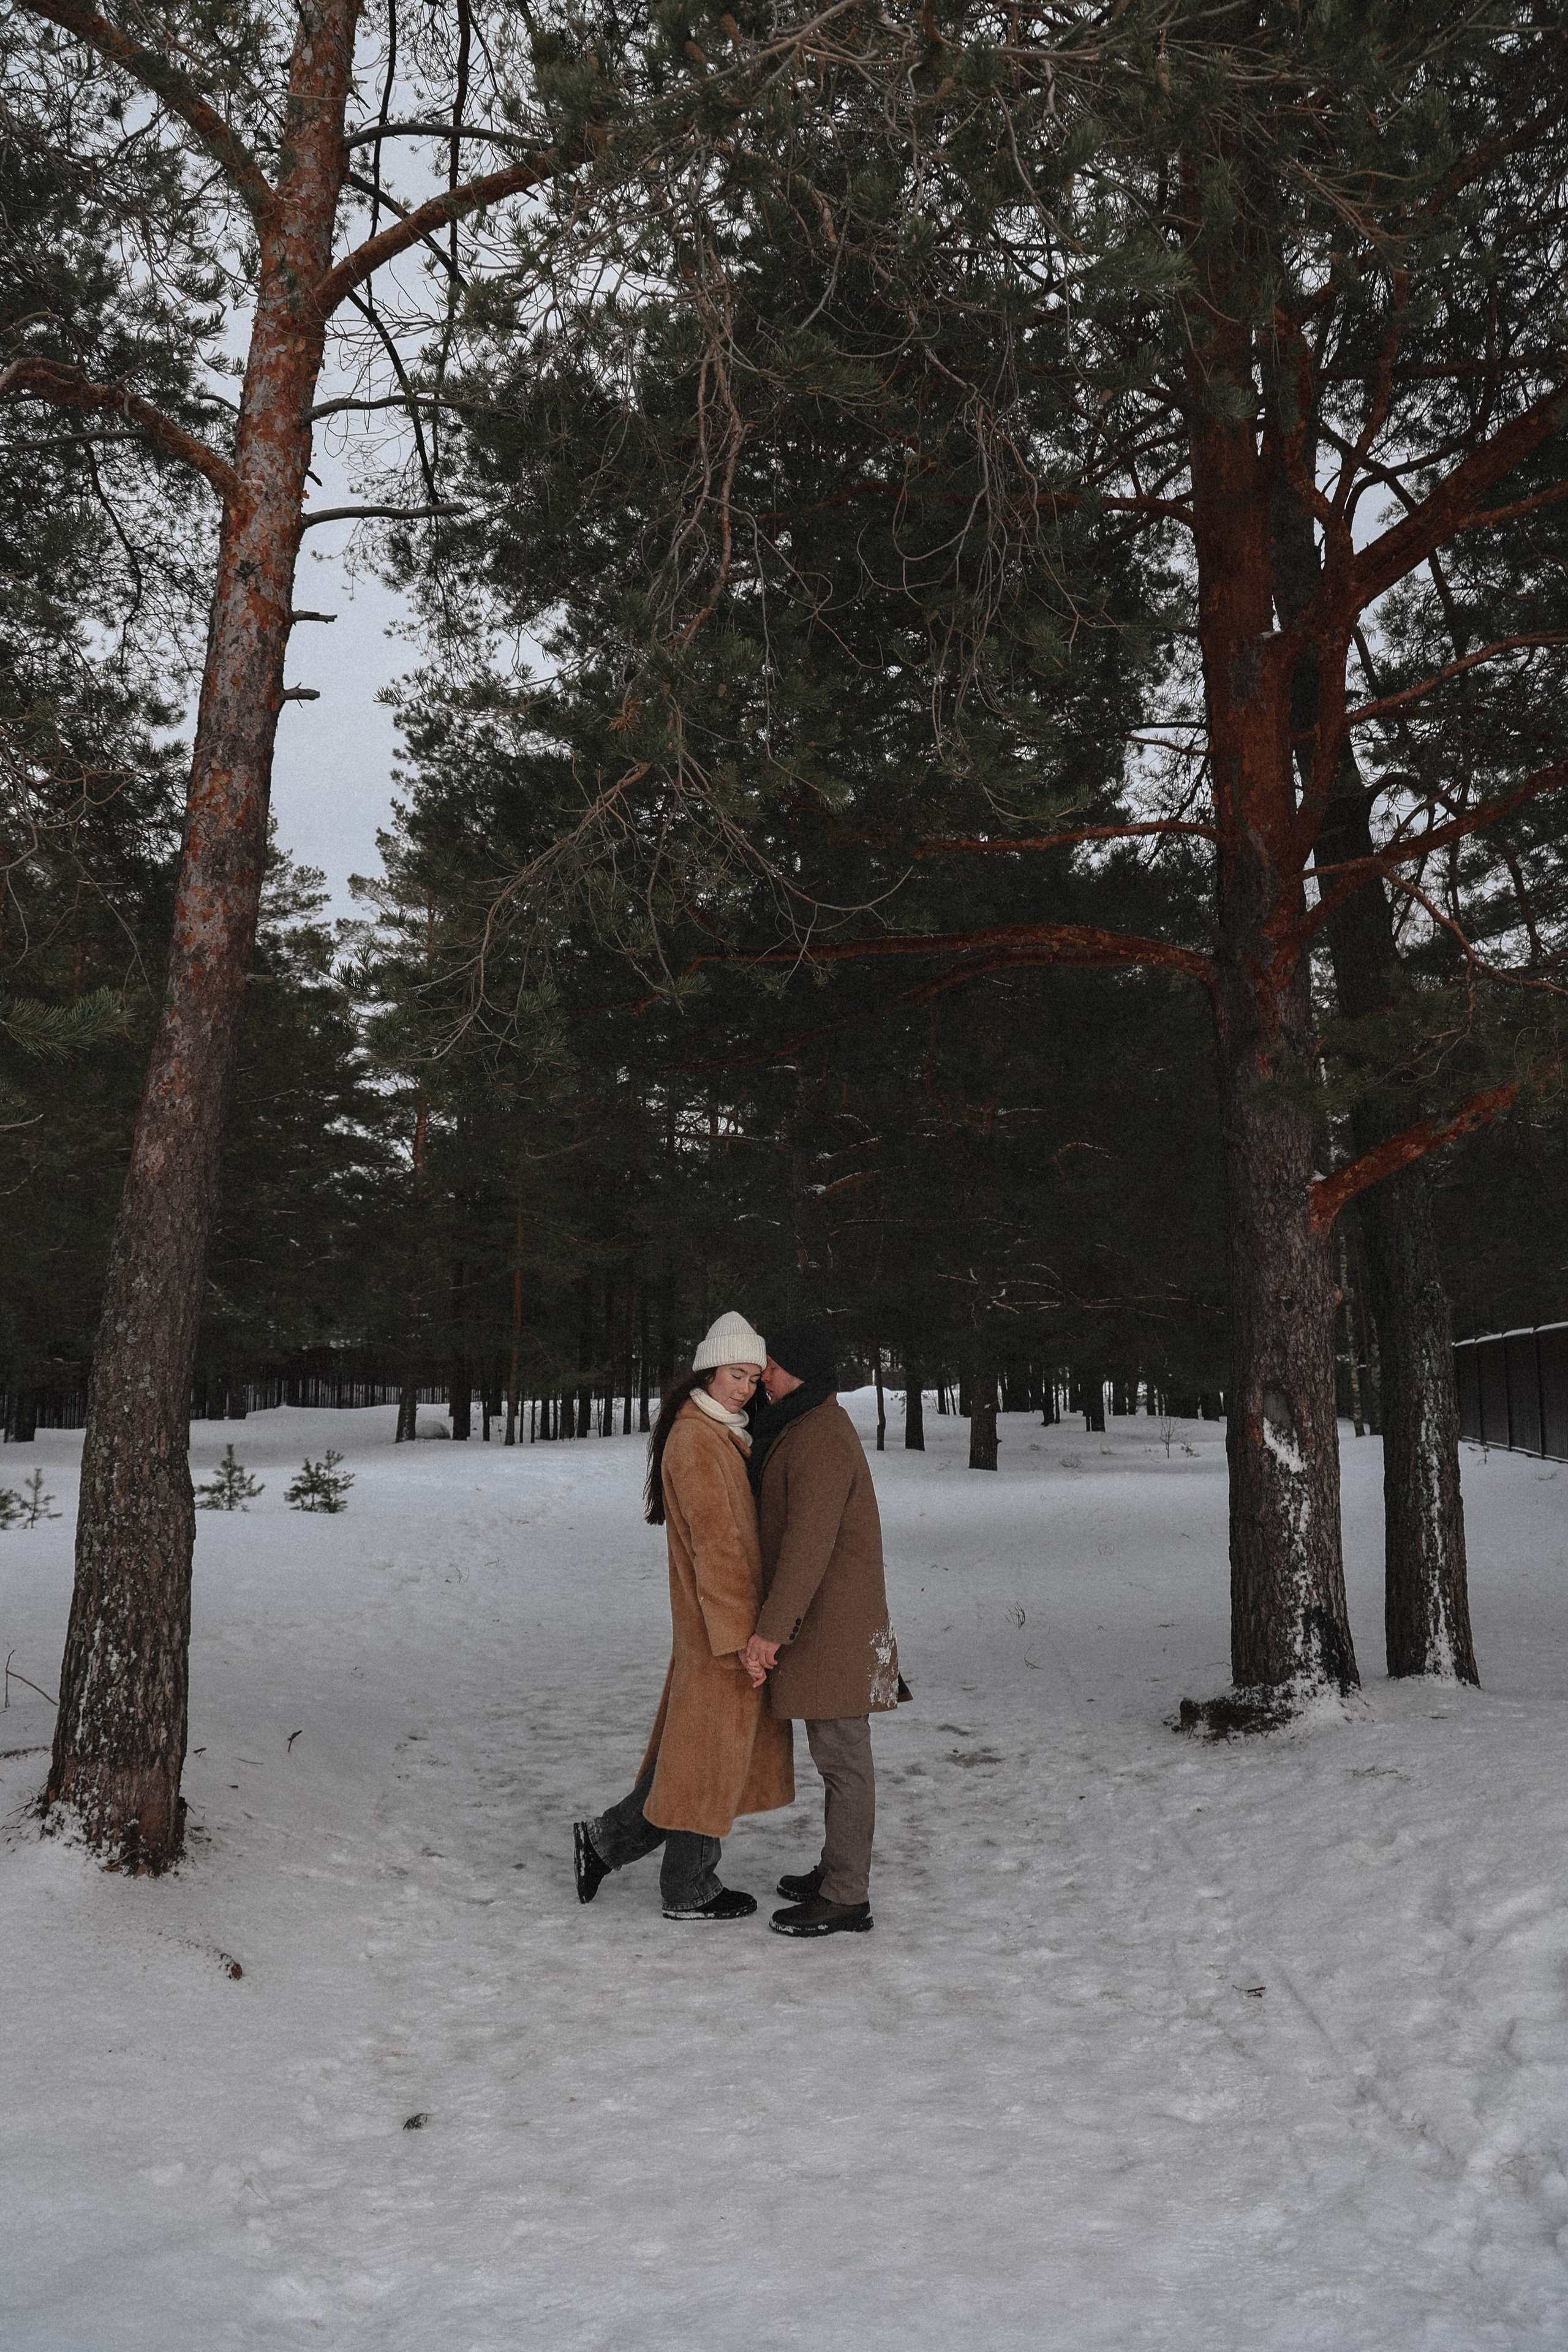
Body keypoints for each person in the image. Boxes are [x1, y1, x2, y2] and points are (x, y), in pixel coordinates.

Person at [573, 1311, 794, 1921]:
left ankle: (604, 1841)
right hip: (720, 1628)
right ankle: (689, 1888)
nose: (745, 1386)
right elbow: (717, 1550)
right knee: (708, 1760)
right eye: (735, 1374)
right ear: (707, 1370)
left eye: (753, 1376)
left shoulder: (718, 1430)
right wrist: (744, 1640)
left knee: (695, 1756)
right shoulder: (699, 1438)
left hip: (718, 1627)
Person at [741, 1322, 902, 1939]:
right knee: (836, 1757)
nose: (764, 1376)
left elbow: (807, 1547)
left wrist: (770, 1632)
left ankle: (845, 1897)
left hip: (835, 1627)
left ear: (799, 1370)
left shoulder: (820, 1438)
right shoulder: (803, 1424)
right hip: (829, 1623)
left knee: (843, 1760)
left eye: (773, 1367)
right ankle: (837, 1871)